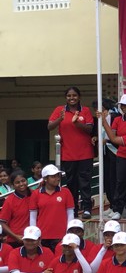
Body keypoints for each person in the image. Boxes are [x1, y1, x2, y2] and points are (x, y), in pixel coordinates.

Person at [47, 87, 94, 219]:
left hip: (85, 153)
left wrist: (77, 123)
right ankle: (73, 209)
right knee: (71, 183)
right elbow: (49, 127)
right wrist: (60, 119)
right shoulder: (59, 110)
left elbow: (90, 129)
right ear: (66, 97)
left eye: (74, 95)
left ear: (79, 97)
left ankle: (87, 208)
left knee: (85, 182)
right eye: (69, 96)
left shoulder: (85, 110)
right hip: (68, 154)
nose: (71, 98)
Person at [29, 165, 74, 251]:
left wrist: (69, 233)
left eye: (58, 176)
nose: (57, 178)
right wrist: (34, 235)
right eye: (53, 176)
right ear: (45, 179)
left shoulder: (66, 192)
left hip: (61, 235)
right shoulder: (36, 194)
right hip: (42, 236)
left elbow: (70, 214)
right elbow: (33, 217)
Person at [0, 171, 32, 246]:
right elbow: (2, 222)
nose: (21, 184)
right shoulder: (10, 200)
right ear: (13, 185)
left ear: (27, 181)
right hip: (16, 240)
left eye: (23, 181)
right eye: (17, 182)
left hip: (34, 238)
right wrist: (16, 237)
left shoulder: (35, 194)